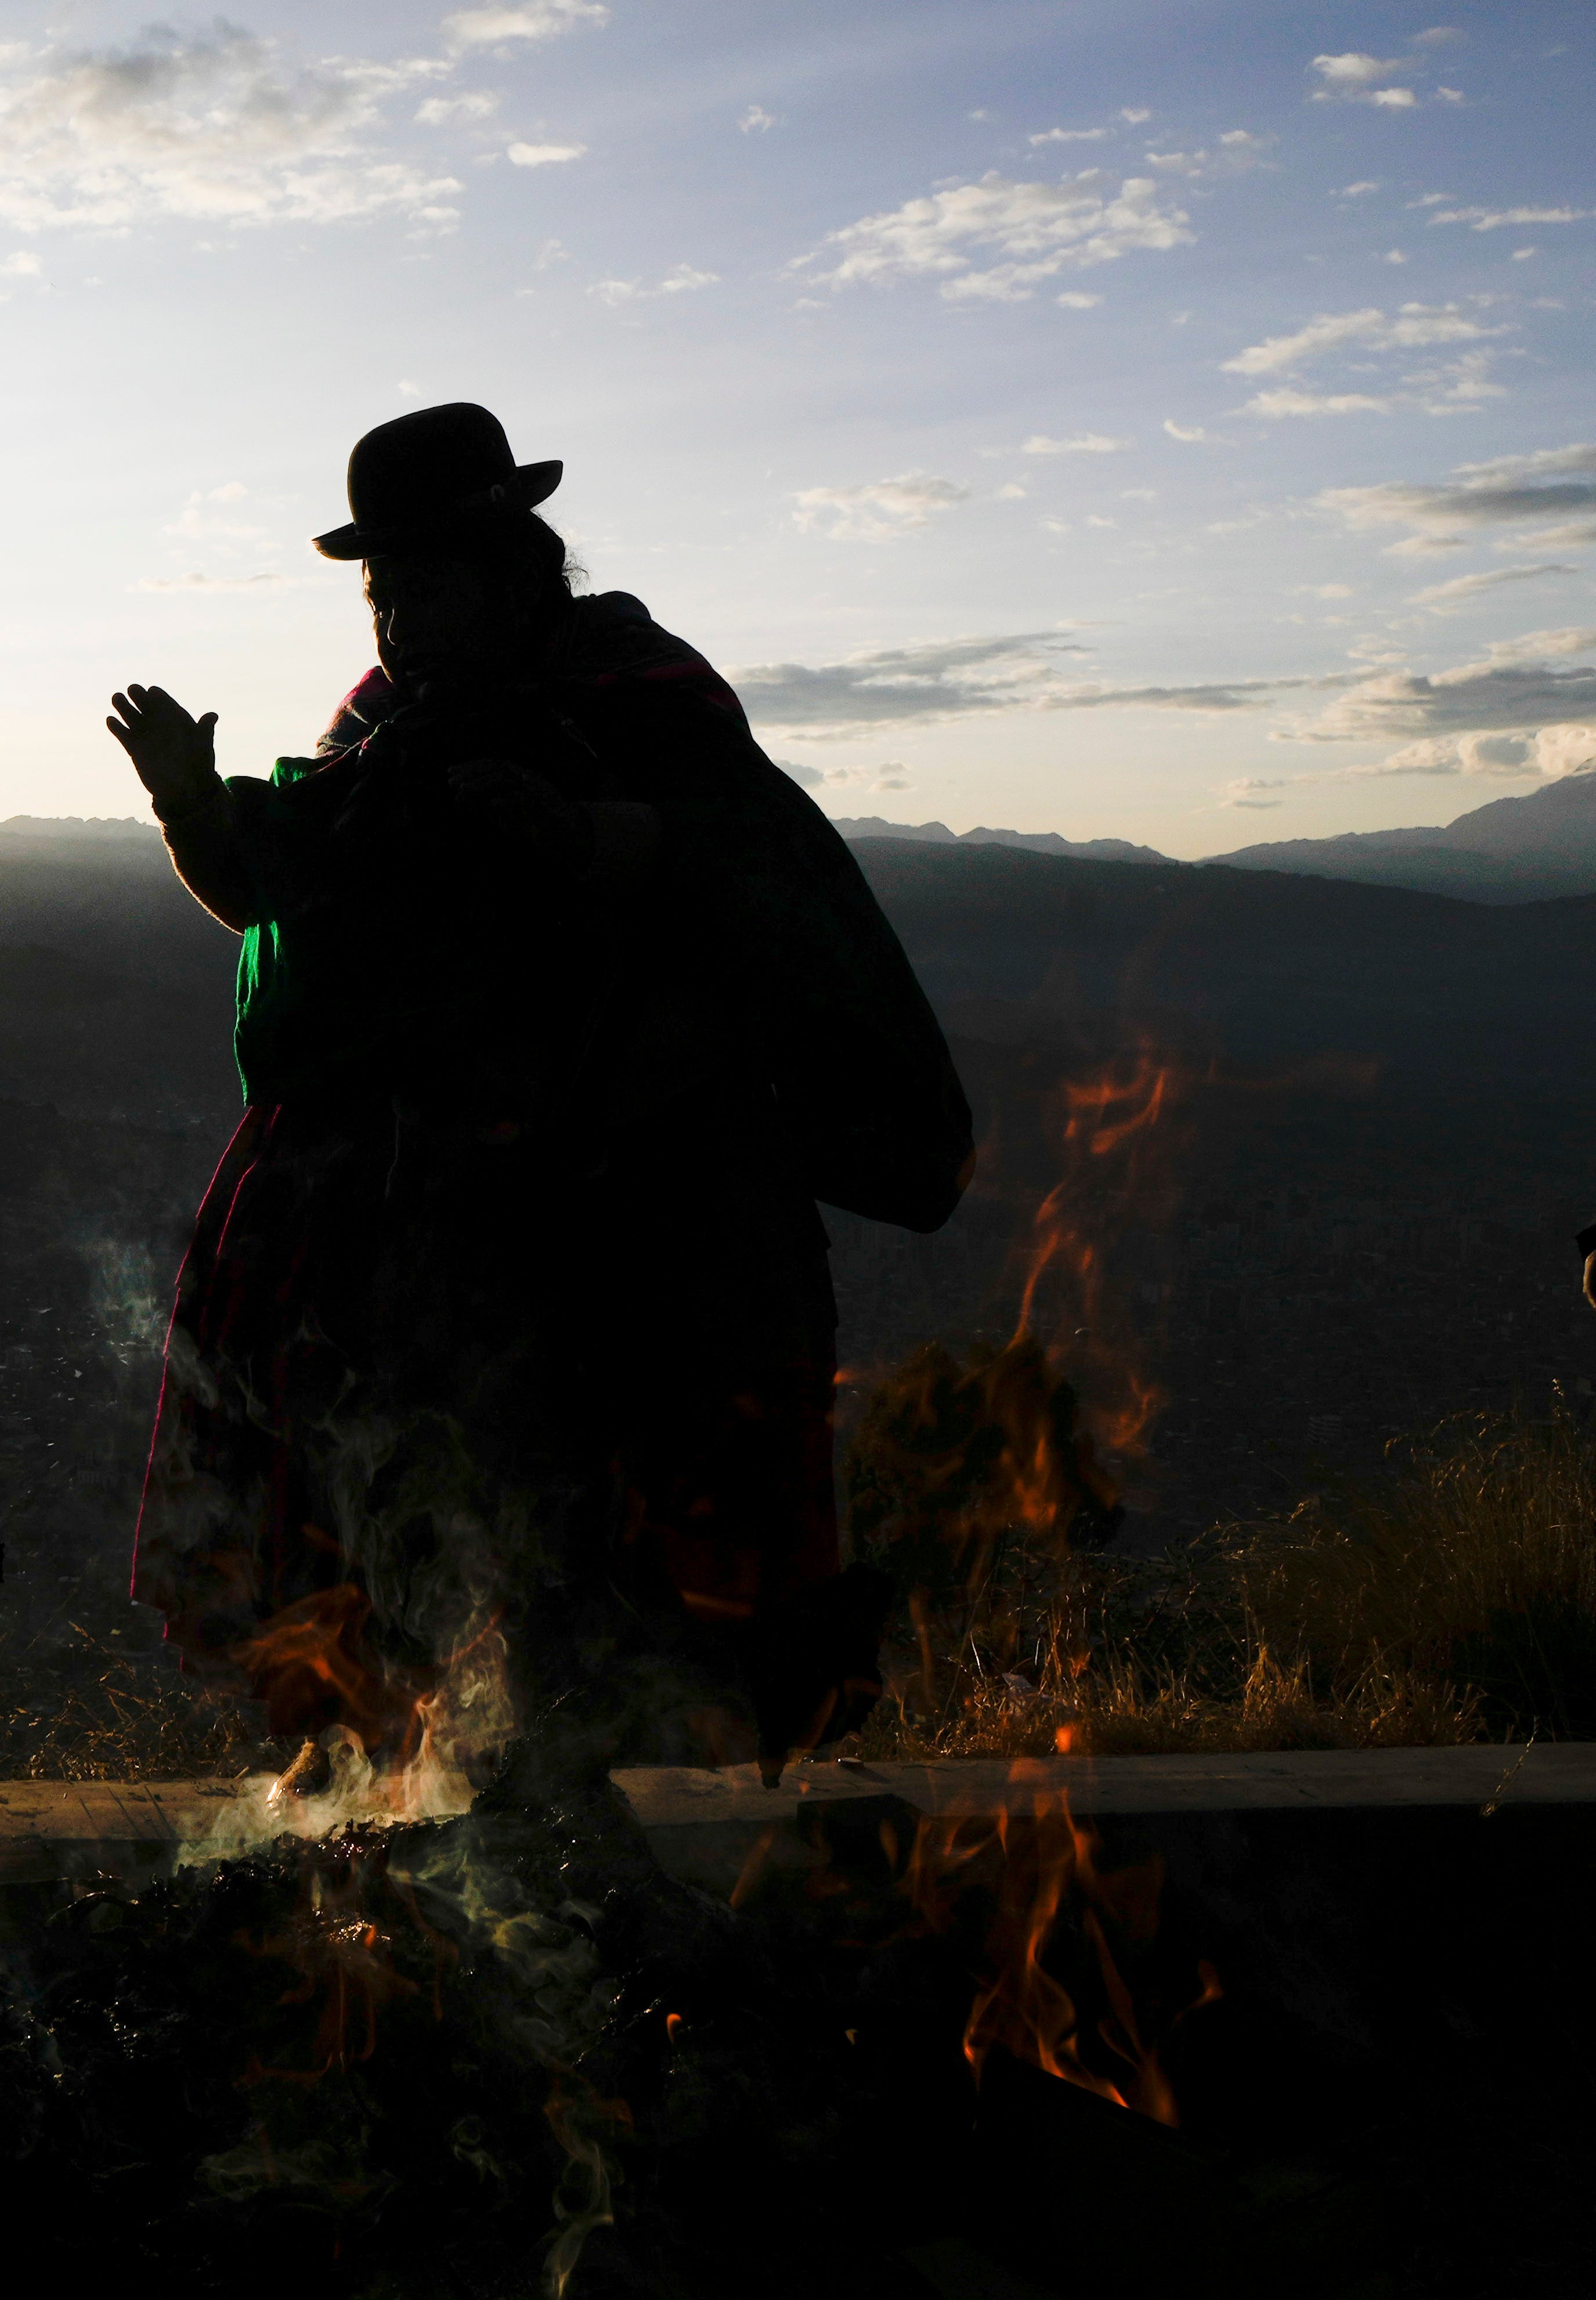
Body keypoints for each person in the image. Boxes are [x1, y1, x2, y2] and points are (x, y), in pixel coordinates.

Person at [107, 402, 970, 1789]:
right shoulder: (380, 730)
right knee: (404, 1516)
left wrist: (584, 840)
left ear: (517, 566)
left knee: (604, 1542)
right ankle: (424, 1801)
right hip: (419, 1218)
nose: (402, 626)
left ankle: (601, 1814)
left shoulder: (641, 695)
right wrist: (190, 812)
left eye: (431, 586)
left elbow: (755, 879)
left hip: (632, 1200)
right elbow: (296, 916)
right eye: (386, 596)